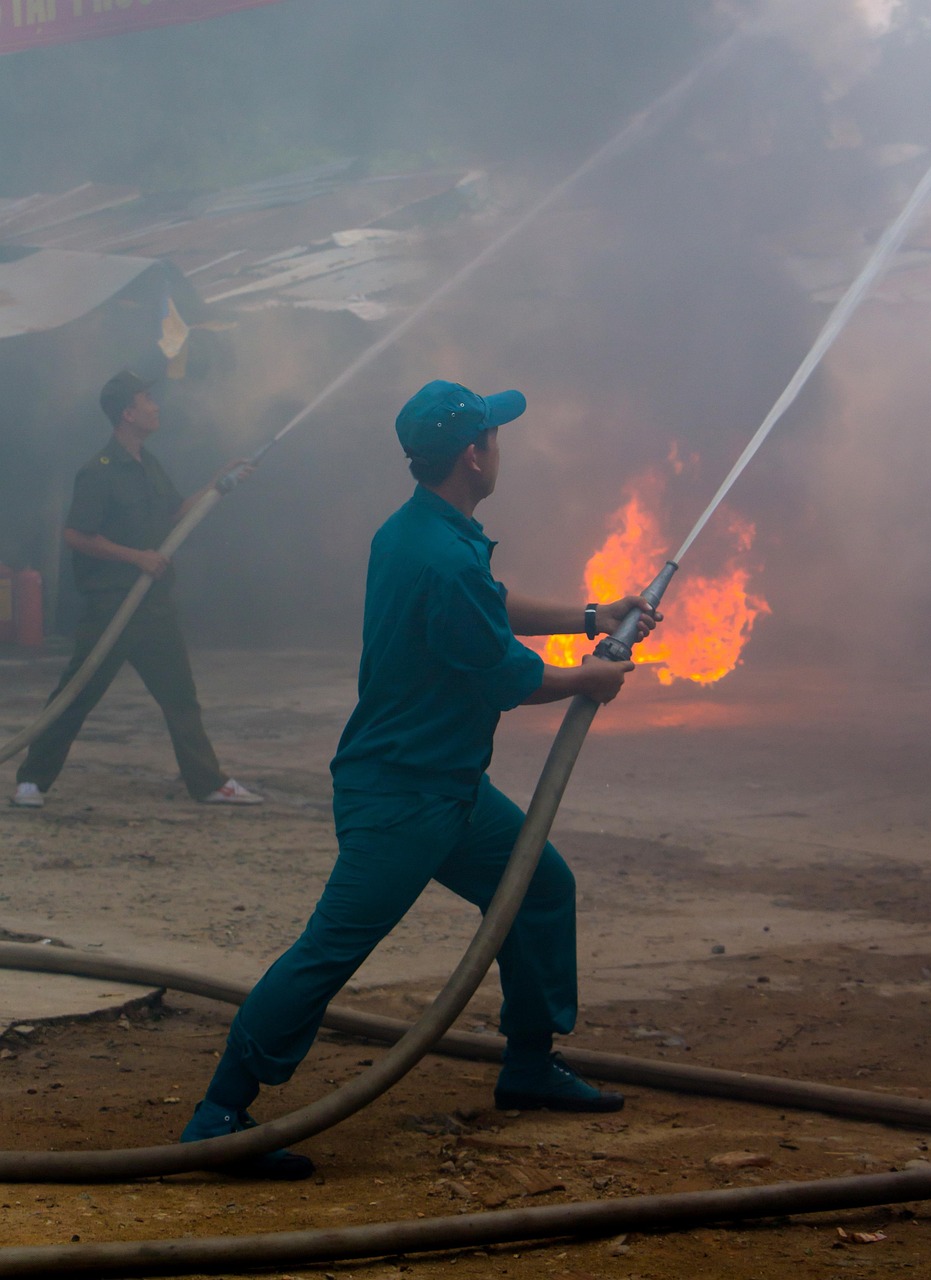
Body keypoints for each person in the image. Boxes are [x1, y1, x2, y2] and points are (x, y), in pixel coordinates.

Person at [180, 378, 660, 1179]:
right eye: (495, 439)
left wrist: (589, 619)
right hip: (402, 797)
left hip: (446, 786)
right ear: (473, 455)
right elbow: (504, 674)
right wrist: (587, 679)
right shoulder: (441, 557)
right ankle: (219, 1113)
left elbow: (490, 606)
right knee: (330, 950)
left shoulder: (423, 533)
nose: (500, 448)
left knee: (540, 887)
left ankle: (529, 1066)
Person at [11, 370, 262, 809]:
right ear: (128, 413)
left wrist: (218, 483)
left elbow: (177, 514)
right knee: (75, 697)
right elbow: (76, 534)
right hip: (110, 607)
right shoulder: (99, 470)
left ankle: (208, 783)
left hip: (152, 606)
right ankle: (32, 781)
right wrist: (136, 557)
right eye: (147, 400)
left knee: (181, 698)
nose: (155, 406)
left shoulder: (151, 465)